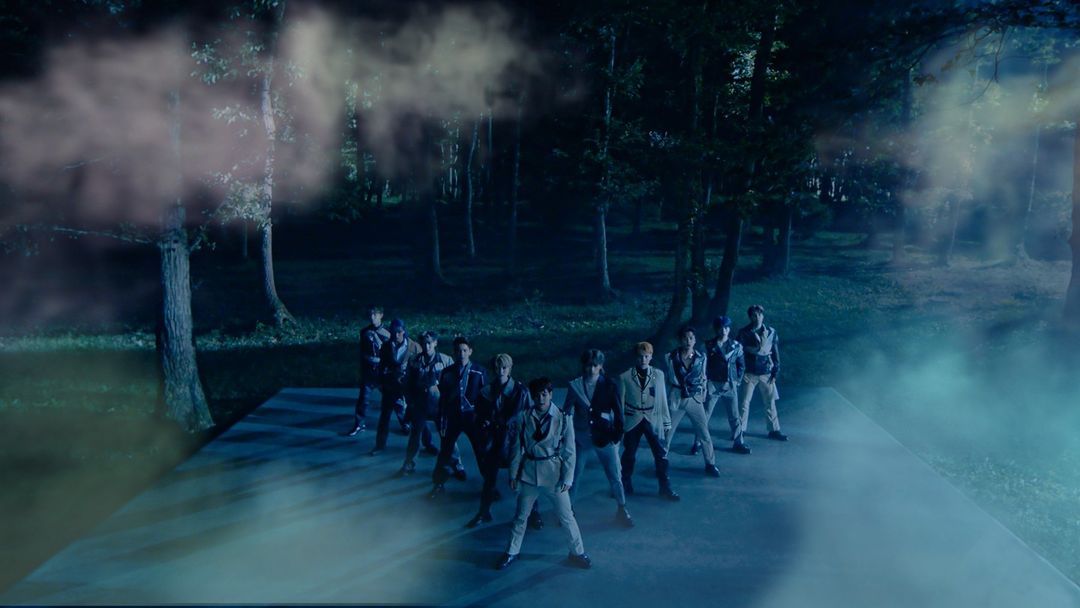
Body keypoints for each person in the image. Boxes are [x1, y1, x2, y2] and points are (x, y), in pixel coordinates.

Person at [496, 378, 591, 571]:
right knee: (521, 516)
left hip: (553, 474)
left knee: (566, 516)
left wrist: (568, 478)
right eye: (537, 395)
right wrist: (513, 475)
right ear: (532, 396)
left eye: (544, 394)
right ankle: (512, 551)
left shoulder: (563, 418)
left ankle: (577, 552)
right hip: (529, 474)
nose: (541, 399)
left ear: (551, 394)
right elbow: (516, 449)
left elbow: (570, 451)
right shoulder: (523, 417)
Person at [562, 349, 633, 528]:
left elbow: (618, 412)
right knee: (573, 475)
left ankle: (622, 508)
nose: (591, 369)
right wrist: (566, 436)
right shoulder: (575, 386)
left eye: (595, 365)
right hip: (581, 437)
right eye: (588, 365)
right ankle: (567, 510)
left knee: (615, 474)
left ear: (601, 366)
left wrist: (617, 435)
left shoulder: (609, 384)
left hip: (605, 436)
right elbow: (566, 413)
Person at [466, 353, 532, 528]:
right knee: (489, 479)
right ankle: (484, 512)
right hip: (494, 440)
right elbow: (478, 416)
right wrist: (485, 426)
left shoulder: (521, 391)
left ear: (510, 369)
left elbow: (528, 418)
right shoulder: (487, 391)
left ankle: (534, 512)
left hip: (515, 440)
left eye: (504, 368)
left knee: (525, 478)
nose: (501, 371)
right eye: (498, 368)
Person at [618, 342, 679, 501]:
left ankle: (665, 487)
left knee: (660, 454)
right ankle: (624, 483)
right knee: (629, 454)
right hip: (633, 418)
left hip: (653, 418)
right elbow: (620, 402)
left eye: (646, 356)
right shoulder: (625, 376)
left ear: (651, 357)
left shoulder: (658, 375)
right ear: (635, 357)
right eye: (640, 356)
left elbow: (662, 399)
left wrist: (666, 422)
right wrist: (620, 422)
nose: (643, 359)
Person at [429, 336, 487, 499]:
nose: (461, 354)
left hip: (472, 418)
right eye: (458, 351)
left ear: (470, 351)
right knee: (445, 452)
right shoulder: (447, 372)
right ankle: (438, 484)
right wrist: (442, 419)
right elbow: (443, 399)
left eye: (464, 350)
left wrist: (484, 418)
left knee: (481, 452)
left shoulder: (479, 371)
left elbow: (485, 398)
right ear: (454, 353)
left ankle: (489, 484)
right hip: (453, 417)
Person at [663, 326, 720, 477]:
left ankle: (710, 463)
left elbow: (703, 377)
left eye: (691, 338)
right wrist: (667, 397)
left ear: (695, 340)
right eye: (685, 338)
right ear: (680, 340)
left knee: (704, 432)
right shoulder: (670, 357)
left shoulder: (701, 357)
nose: (688, 341)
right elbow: (667, 379)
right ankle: (661, 461)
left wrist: (702, 395)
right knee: (667, 432)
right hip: (676, 397)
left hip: (694, 397)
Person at [398, 331, 454, 476]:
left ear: (435, 343)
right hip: (420, 403)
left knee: (447, 436)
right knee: (415, 435)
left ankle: (455, 463)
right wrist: (410, 401)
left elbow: (454, 383)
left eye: (429, 343)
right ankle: (409, 463)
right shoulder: (414, 360)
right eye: (424, 343)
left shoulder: (445, 360)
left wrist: (449, 401)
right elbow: (407, 382)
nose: (426, 346)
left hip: (439, 404)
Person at [368, 319, 421, 456]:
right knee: (385, 416)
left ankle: (427, 443)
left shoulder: (414, 347)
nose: (396, 335)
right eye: (393, 332)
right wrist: (381, 382)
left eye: (399, 332)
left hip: (408, 386)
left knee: (417, 416)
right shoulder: (386, 346)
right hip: (391, 386)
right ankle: (380, 445)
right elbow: (381, 366)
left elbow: (420, 367)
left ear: (404, 331)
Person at [737, 304, 788, 442]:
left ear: (762, 316)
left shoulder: (771, 332)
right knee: (744, 402)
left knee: (770, 401)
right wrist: (740, 371)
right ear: (750, 317)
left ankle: (774, 430)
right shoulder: (744, 332)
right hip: (749, 372)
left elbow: (775, 352)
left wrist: (776, 369)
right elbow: (738, 353)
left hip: (766, 371)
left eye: (759, 314)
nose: (757, 317)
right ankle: (740, 430)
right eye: (754, 315)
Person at [704, 316, 750, 454]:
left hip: (729, 384)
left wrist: (737, 380)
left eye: (726, 327)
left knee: (734, 416)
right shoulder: (708, 345)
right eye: (721, 328)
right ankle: (699, 442)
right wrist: (705, 380)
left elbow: (741, 365)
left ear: (729, 329)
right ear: (716, 329)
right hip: (713, 384)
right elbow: (702, 364)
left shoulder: (736, 346)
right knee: (705, 415)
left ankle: (738, 443)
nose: (724, 330)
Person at [344, 306, 390, 436]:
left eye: (375, 315)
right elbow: (362, 352)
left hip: (382, 369)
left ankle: (405, 423)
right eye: (371, 315)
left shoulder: (388, 332)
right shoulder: (364, 332)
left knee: (393, 397)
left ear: (381, 315)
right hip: (369, 370)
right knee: (363, 399)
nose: (372, 317)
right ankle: (359, 424)